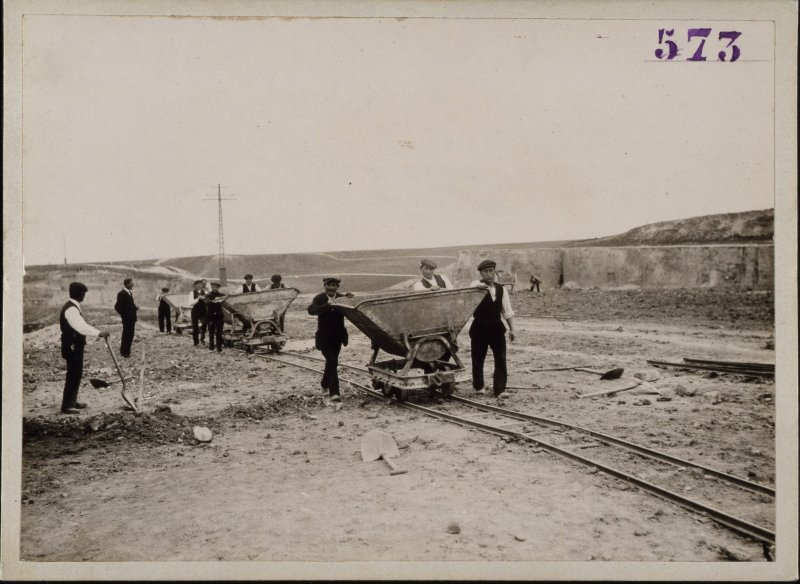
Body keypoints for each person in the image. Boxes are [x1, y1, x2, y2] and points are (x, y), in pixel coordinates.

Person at [60, 282, 110, 414]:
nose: (84, 296)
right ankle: (67, 406)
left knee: (76, 374)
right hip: (72, 348)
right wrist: (98, 333)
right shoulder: (71, 309)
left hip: (74, 347)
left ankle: (72, 401)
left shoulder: (73, 307)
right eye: (84, 293)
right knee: (73, 374)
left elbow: (81, 325)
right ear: (80, 294)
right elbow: (80, 326)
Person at [470, 259, 516, 399]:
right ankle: (479, 387)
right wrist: (480, 286)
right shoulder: (475, 287)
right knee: (478, 358)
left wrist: (512, 329)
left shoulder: (501, 289)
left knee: (501, 358)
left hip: (496, 328)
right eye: (485, 272)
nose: (489, 274)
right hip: (479, 328)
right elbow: (473, 285)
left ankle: (500, 389)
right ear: (481, 273)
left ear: (495, 272)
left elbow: (507, 311)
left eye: (491, 271)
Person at [307, 276, 353, 403]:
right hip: (324, 337)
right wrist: (328, 305)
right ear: (325, 286)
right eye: (329, 285)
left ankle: (326, 385)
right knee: (332, 361)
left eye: (334, 286)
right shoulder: (319, 298)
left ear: (337, 287)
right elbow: (311, 310)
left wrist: (351, 299)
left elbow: (353, 308)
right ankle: (333, 392)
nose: (331, 288)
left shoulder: (341, 298)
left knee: (333, 362)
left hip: (337, 337)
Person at [114, 278, 139, 358]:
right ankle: (125, 353)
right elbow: (117, 306)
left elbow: (128, 305)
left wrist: (135, 307)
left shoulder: (128, 293)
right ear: (127, 284)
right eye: (132, 283)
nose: (133, 284)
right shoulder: (121, 293)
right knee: (127, 335)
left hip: (131, 318)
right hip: (127, 319)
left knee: (129, 335)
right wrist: (124, 315)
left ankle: (125, 352)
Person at [204, 282, 227, 353]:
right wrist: (216, 301)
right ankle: (211, 348)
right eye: (213, 287)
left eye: (216, 287)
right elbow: (207, 302)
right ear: (211, 287)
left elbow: (225, 301)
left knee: (219, 333)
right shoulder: (208, 295)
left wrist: (217, 301)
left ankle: (219, 349)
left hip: (219, 316)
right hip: (210, 316)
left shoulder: (222, 295)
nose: (214, 288)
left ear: (218, 288)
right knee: (211, 332)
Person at [187, 280, 208, 346]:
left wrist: (205, 299)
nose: (199, 285)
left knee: (204, 324)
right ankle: (196, 342)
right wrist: (198, 299)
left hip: (204, 311)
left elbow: (209, 301)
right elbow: (190, 303)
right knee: (195, 327)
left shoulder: (206, 292)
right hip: (195, 311)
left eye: (201, 284)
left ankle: (202, 338)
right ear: (195, 286)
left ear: (202, 285)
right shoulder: (192, 293)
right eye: (198, 284)